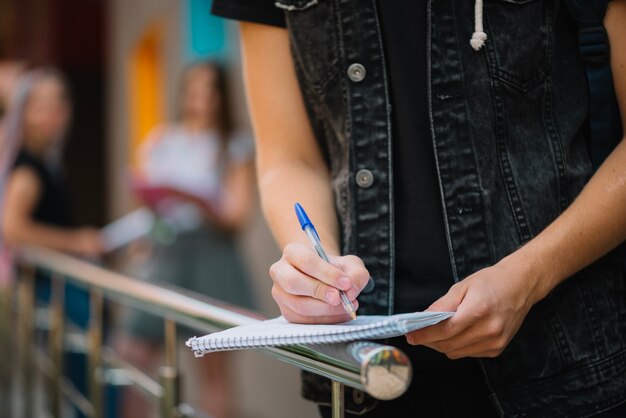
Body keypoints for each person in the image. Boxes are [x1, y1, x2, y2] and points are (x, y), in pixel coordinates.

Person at [212, 1, 626, 416]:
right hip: (365, 371)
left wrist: (530, 276)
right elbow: (289, 157)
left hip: (562, 361)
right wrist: (313, 267)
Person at [120, 61, 256, 418]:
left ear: (222, 96)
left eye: (210, 89)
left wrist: (198, 199)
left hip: (210, 255)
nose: (202, 98)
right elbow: (144, 198)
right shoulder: (163, 138)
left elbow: (237, 216)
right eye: (195, 88)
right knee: (134, 354)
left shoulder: (234, 145)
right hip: (166, 252)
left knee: (212, 365)